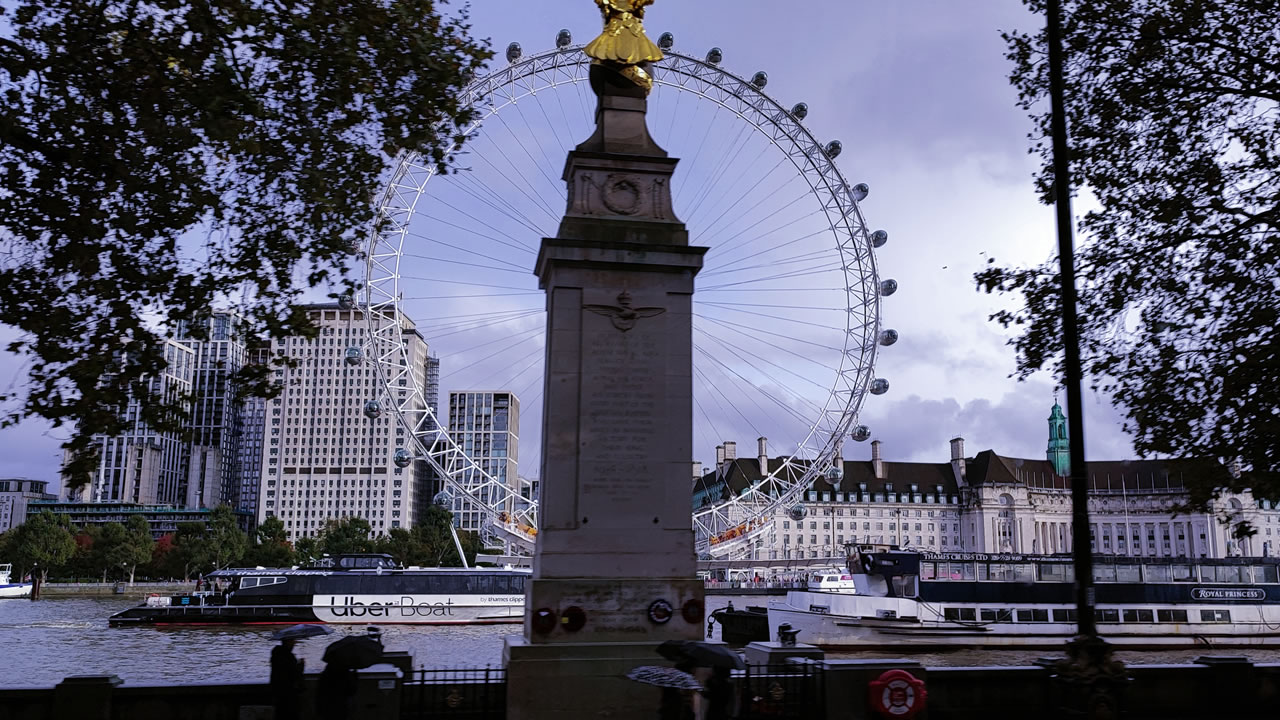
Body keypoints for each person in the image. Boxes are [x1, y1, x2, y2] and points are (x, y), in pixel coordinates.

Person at [270, 638, 305, 720]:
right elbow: (294, 674)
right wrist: (301, 666)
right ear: (288, 642)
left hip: (278, 693)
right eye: (292, 641)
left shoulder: (276, 654)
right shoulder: (289, 656)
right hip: (289, 693)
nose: (294, 644)